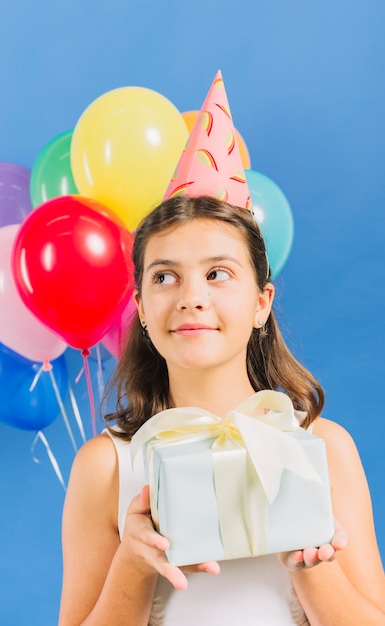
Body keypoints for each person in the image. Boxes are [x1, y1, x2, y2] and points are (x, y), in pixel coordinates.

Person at [58, 194, 385, 625]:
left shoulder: (321, 447)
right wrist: (134, 563)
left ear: (261, 303)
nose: (191, 297)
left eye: (217, 273)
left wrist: (311, 558)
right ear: (140, 308)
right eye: (164, 277)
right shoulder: (108, 466)